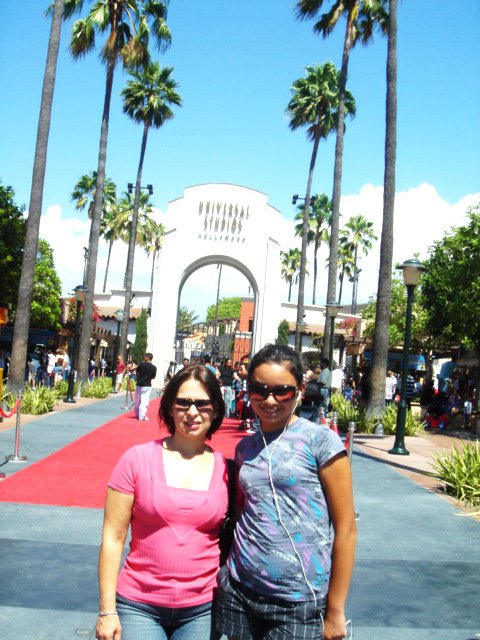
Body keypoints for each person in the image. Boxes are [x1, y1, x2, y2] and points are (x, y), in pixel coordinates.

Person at [216, 344, 356, 640]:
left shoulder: (321, 442)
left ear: (300, 389)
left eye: (282, 391)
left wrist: (335, 610)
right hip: (242, 589)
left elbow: (345, 529)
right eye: (259, 389)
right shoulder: (246, 447)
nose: (269, 400)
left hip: (299, 599)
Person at [95, 364, 228, 640]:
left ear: (215, 410)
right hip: (138, 604)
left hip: (203, 608)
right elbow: (113, 537)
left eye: (203, 404)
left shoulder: (229, 470)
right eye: (183, 403)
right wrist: (107, 611)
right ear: (169, 407)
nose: (192, 412)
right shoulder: (137, 459)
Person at [133, 353, 157, 421]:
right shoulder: (154, 367)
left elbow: (137, 371)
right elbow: (153, 377)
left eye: (145, 356)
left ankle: (137, 414)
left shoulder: (141, 364)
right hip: (147, 385)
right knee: (144, 401)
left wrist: (139, 377)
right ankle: (142, 416)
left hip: (139, 383)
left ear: (147, 357)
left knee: (137, 400)